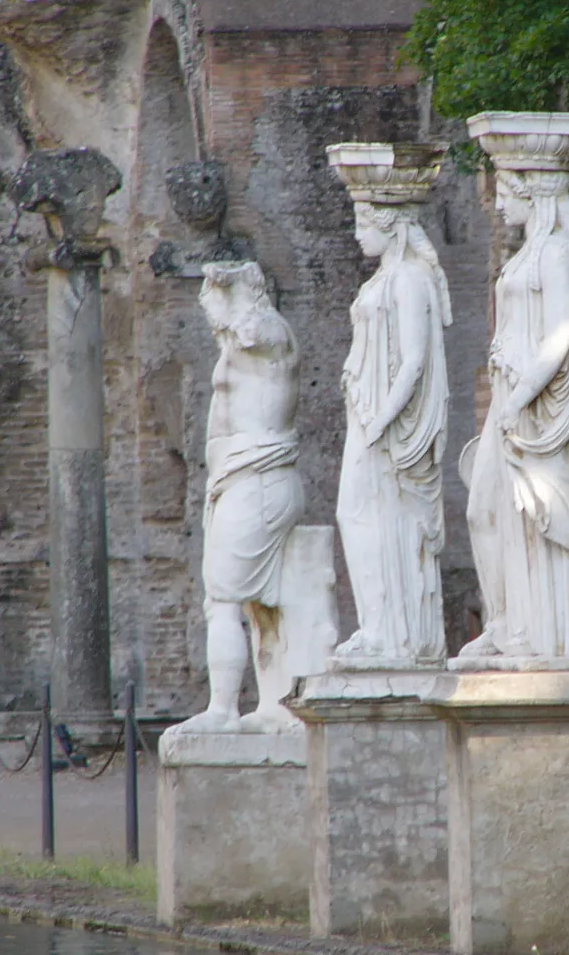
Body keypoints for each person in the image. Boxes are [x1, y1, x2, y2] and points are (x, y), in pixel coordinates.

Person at [459, 161, 569, 663]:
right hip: (510, 400)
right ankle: (502, 620)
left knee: (527, 515)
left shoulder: (559, 254)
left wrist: (519, 397)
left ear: (531, 192)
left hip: (536, 406)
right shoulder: (525, 258)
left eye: (505, 192)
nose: (498, 204)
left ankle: (533, 629)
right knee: (483, 509)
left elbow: (561, 337)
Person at [177, 261, 305, 732]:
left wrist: (229, 285)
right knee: (254, 605)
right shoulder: (237, 339)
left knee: (226, 600)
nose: (212, 319)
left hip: (259, 480)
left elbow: (255, 332)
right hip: (241, 480)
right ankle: (274, 706)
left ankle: (223, 710)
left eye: (215, 306)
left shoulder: (269, 330)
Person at [333, 198, 451, 666]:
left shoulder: (410, 279)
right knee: (355, 516)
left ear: (391, 226)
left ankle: (391, 633)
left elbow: (415, 359)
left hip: (387, 425)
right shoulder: (381, 279)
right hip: (364, 416)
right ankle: (375, 625)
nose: (358, 232)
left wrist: (382, 421)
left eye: (365, 223)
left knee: (374, 518)